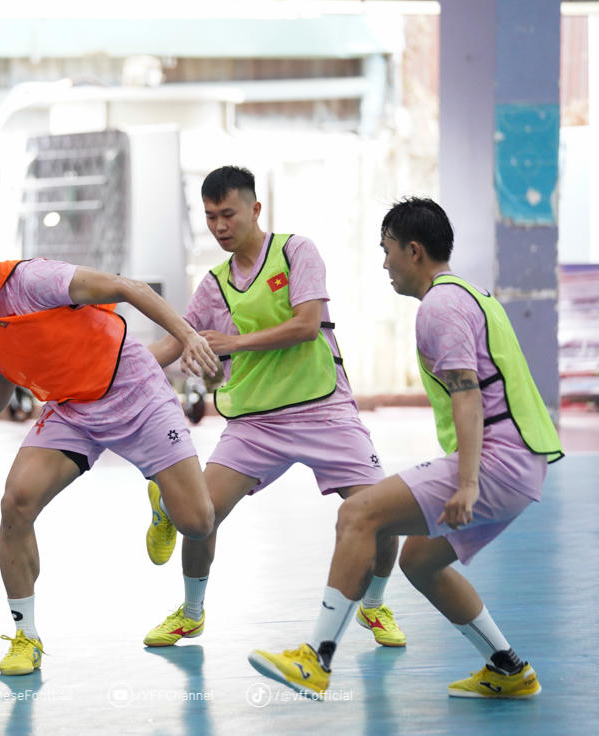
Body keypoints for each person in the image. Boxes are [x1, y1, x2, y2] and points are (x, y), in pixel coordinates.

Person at [249, 197, 562, 699]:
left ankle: (317, 659)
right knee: (419, 560)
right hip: (524, 465)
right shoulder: (469, 293)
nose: (384, 262)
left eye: (387, 249)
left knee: (358, 514)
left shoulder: (440, 306)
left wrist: (467, 481)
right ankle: (508, 668)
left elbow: (466, 391)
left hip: (497, 463)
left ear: (414, 251)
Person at [0, 211, 218, 676]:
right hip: (73, 411)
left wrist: (186, 337)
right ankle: (26, 637)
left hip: (136, 393)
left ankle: (162, 501)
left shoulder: (35, 280)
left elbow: (128, 288)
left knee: (199, 522)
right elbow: (1, 383)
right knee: (15, 504)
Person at [142, 165, 406, 650]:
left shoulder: (295, 251)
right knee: (199, 517)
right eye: (210, 217)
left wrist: (235, 342)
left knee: (381, 513)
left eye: (228, 214)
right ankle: (191, 613)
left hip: (322, 409)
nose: (220, 226)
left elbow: (307, 325)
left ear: (255, 209)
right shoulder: (215, 283)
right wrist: (121, 371)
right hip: (254, 423)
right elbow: (176, 340)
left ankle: (375, 604)